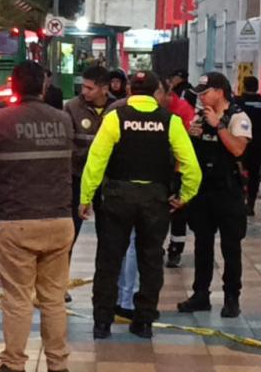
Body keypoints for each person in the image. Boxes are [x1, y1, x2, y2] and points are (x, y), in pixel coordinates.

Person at [0, 61, 75, 372]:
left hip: (18, 223)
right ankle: (58, 368)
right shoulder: (63, 120)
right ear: (43, 87)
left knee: (17, 298)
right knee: (54, 298)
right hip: (60, 221)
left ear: (13, 87)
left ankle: (14, 367)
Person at [81, 71, 201, 339]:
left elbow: (96, 161)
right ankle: (144, 321)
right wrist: (184, 195)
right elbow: (192, 166)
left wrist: (85, 197)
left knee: (109, 259)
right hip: (155, 199)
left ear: (129, 92)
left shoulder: (115, 118)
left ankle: (102, 322)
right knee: (150, 259)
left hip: (118, 197)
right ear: (156, 92)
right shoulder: (169, 121)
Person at [177, 72, 252, 318]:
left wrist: (217, 125)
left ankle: (232, 297)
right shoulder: (200, 117)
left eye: (205, 92)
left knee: (231, 247)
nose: (201, 98)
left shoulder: (238, 117)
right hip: (204, 191)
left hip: (228, 191)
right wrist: (193, 134)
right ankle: (201, 294)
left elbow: (238, 149)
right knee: (202, 244)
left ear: (220, 92)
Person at [64, 66, 112, 240]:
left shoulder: (116, 109)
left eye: (90, 88)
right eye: (83, 86)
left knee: (108, 236)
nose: (84, 92)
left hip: (106, 181)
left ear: (104, 89)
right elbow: (67, 144)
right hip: (78, 176)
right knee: (70, 232)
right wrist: (93, 156)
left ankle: (104, 268)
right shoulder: (72, 108)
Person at [163, 77, 196, 267]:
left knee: (178, 212)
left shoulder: (183, 110)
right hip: (160, 169)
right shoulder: (157, 111)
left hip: (178, 170)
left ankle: (175, 249)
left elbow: (189, 142)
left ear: (169, 94)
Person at [236, 76, 261, 216]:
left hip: (240, 143)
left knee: (238, 172)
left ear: (244, 86)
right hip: (258, 144)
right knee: (255, 175)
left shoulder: (238, 102)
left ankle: (240, 201)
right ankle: (251, 204)